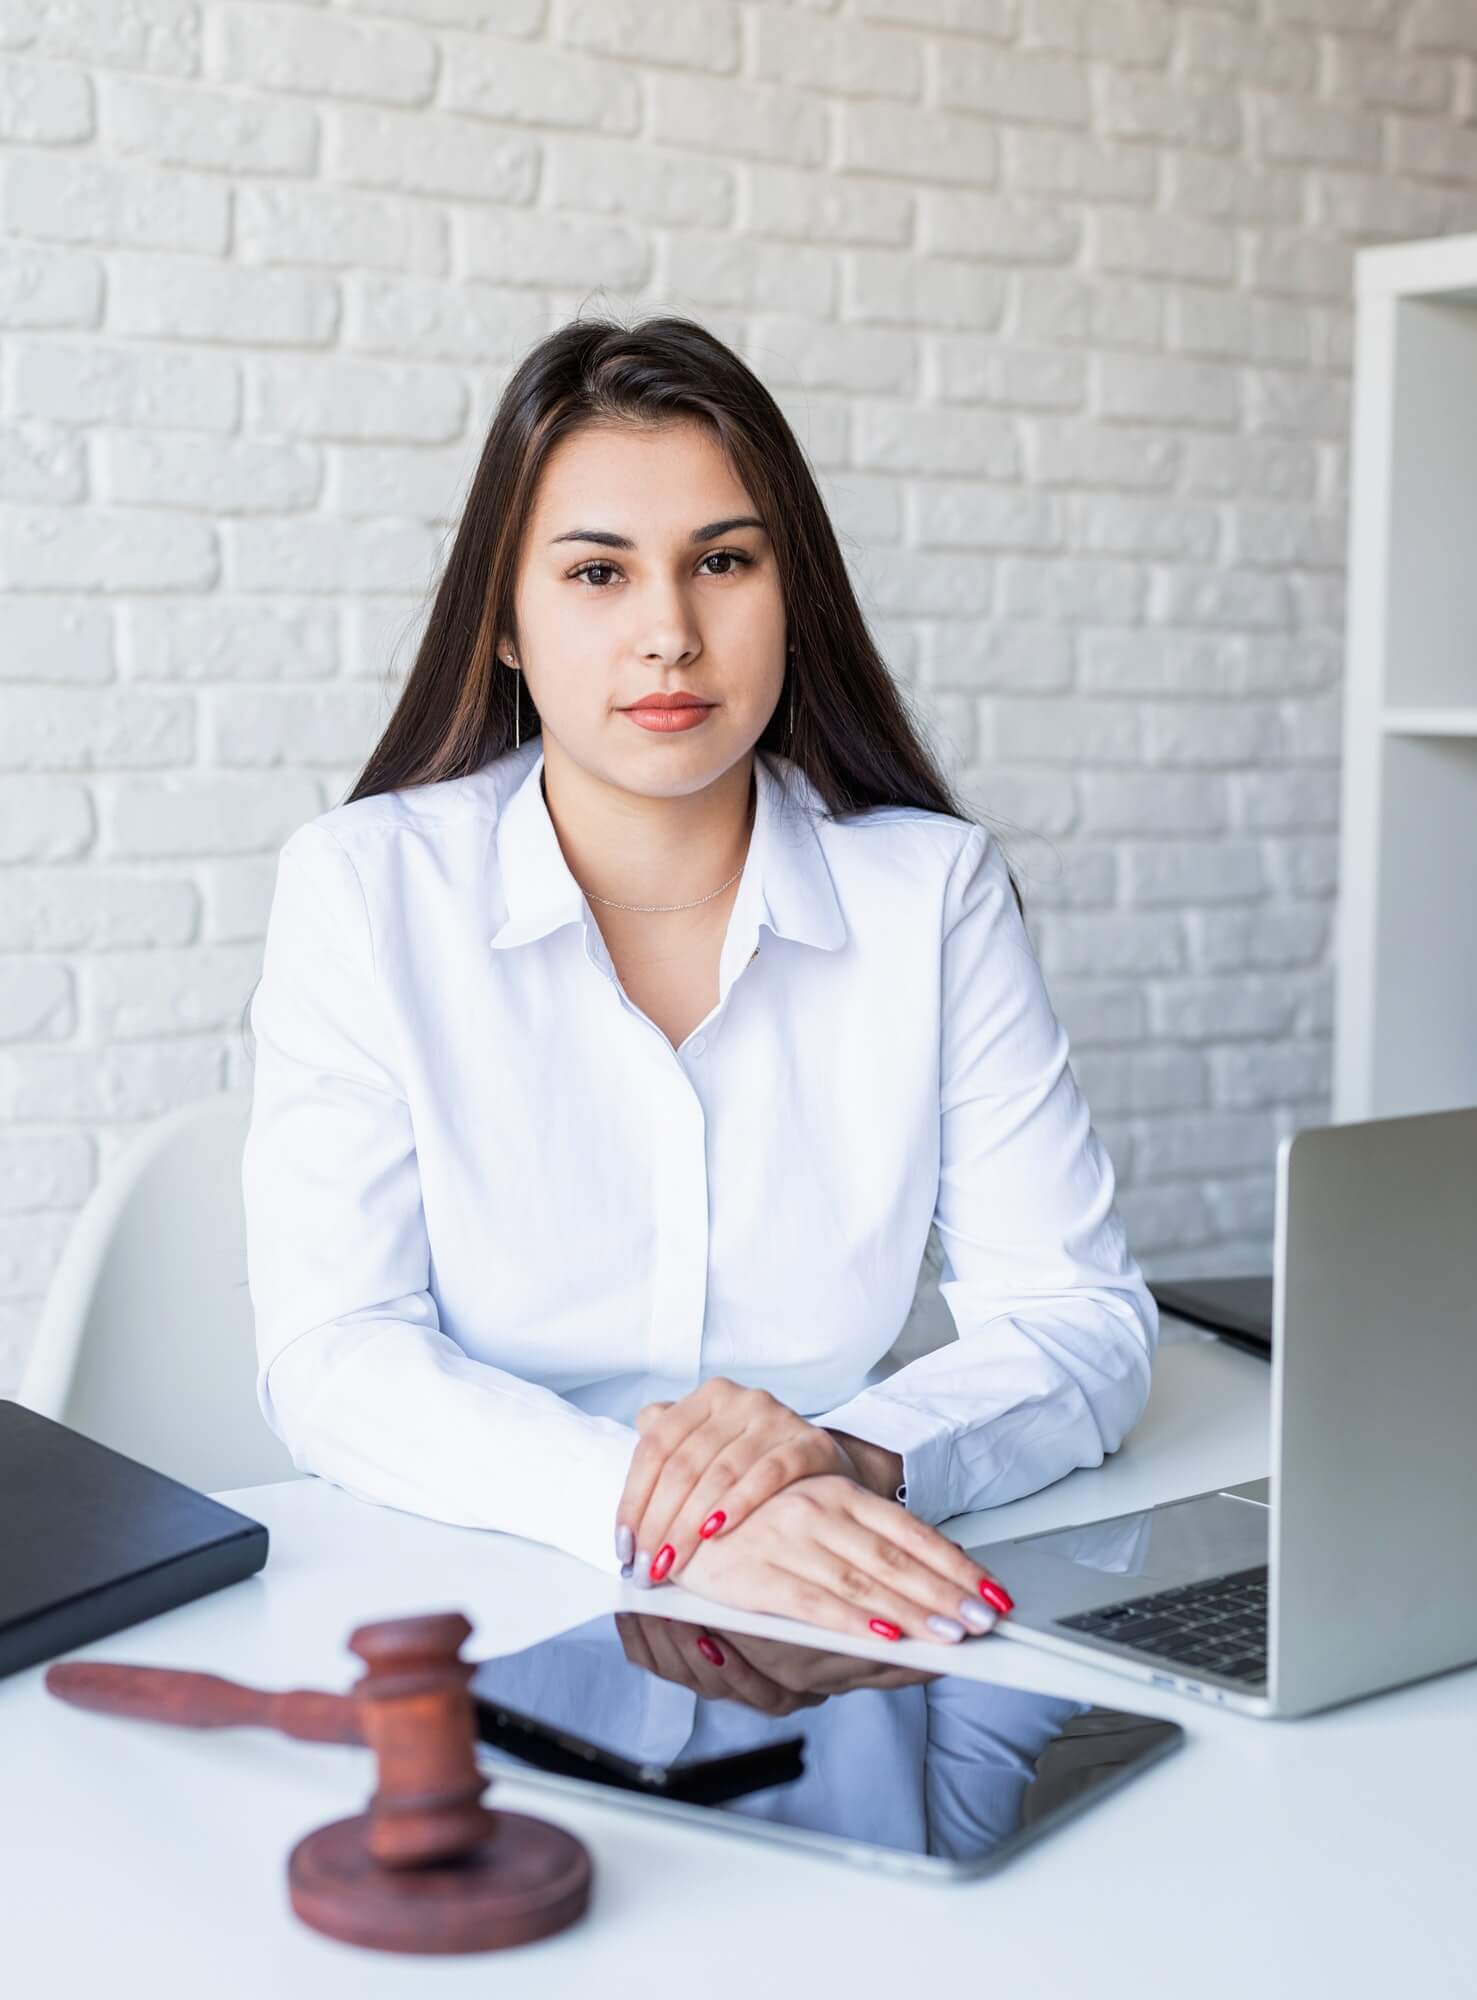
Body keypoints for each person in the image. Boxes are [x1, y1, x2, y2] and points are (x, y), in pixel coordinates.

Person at [240, 312, 1158, 1653]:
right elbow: (334, 1354)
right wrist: (663, 1508)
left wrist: (842, 1460)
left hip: (835, 1598)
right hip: (482, 1599)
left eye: (720, 561)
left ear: (793, 594)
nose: (668, 633)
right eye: (597, 574)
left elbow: (1080, 1318)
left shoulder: (932, 896)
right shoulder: (367, 891)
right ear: (503, 623)